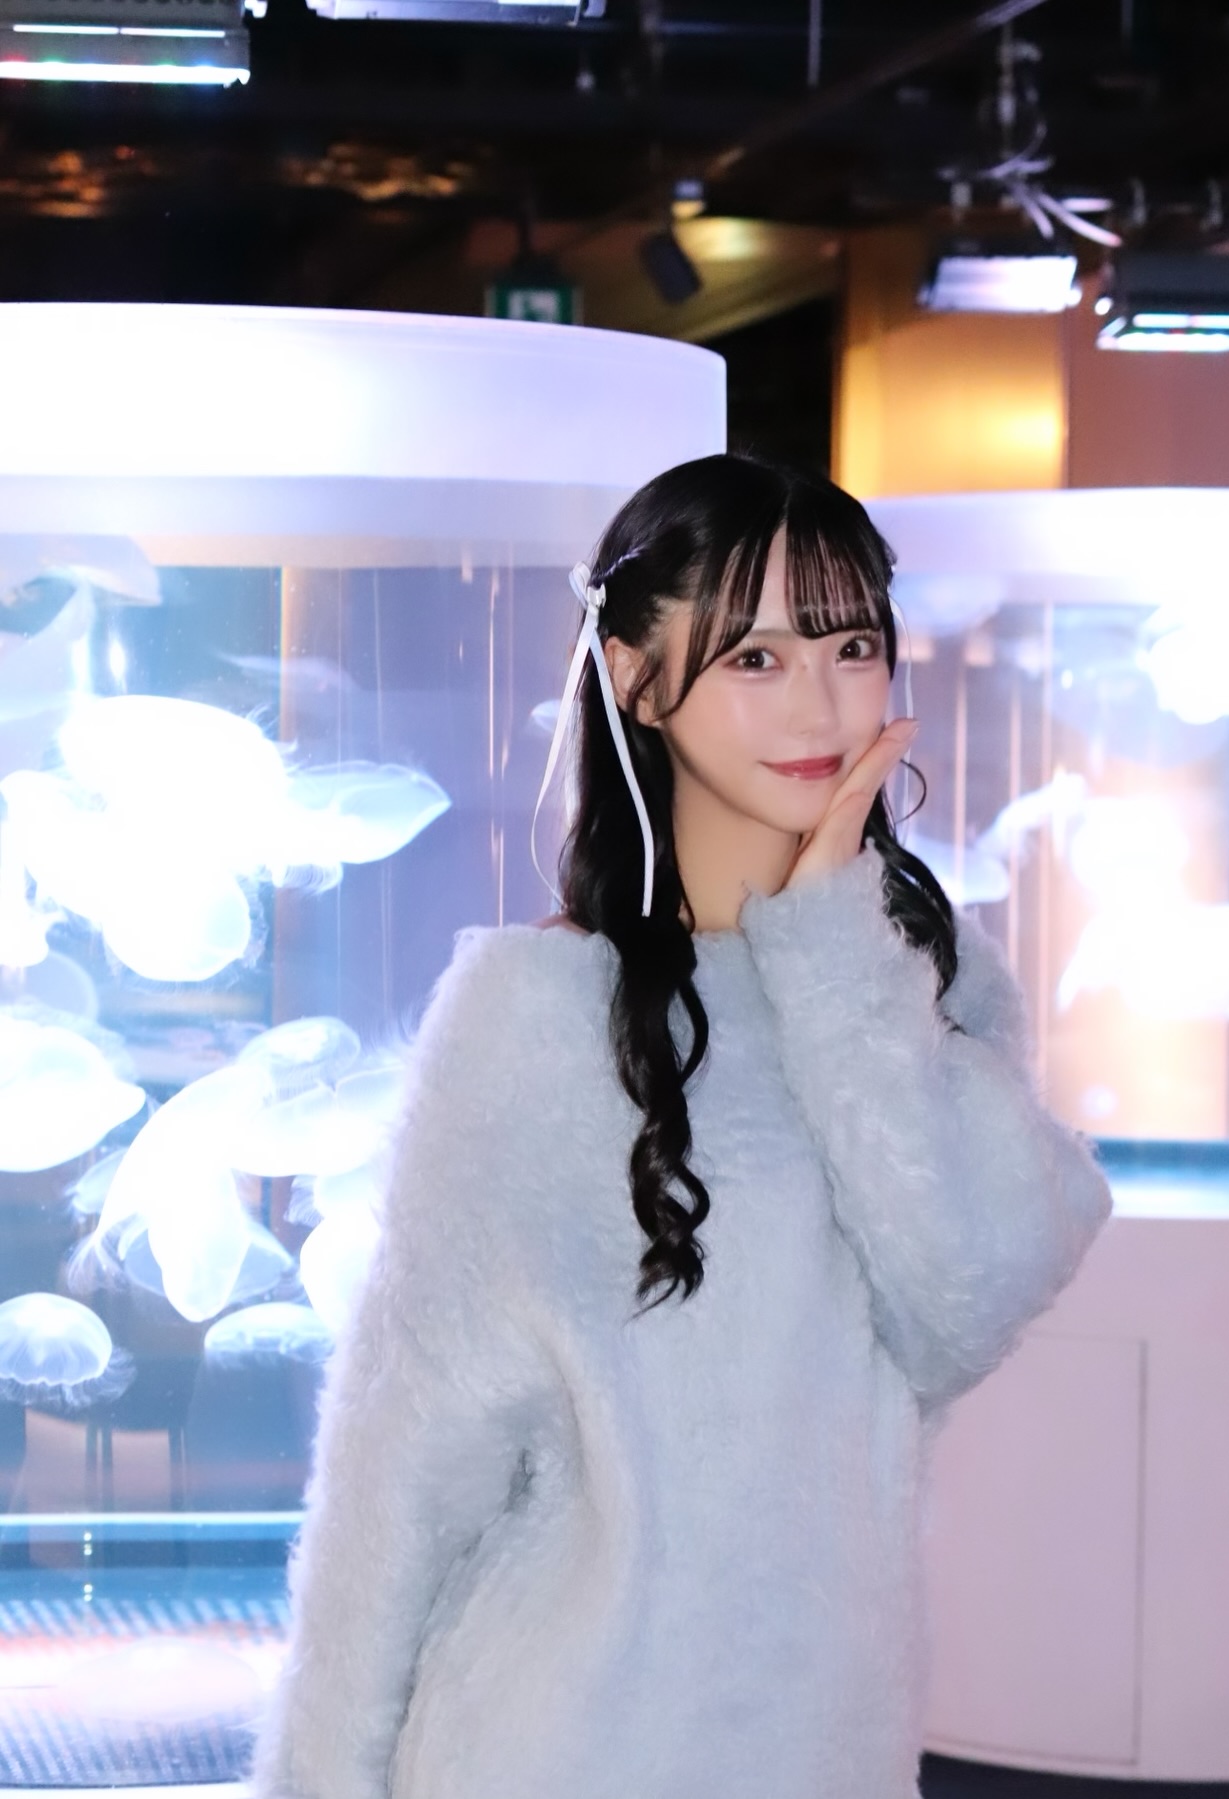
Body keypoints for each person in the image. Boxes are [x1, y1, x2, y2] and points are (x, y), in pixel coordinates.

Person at [247, 453, 1113, 1799]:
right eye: (755, 658)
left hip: (825, 1745)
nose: (820, 702)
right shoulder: (534, 1018)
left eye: (851, 645)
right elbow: (402, 1470)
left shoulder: (917, 992)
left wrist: (834, 940)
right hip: (557, 1751)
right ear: (638, 678)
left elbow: (967, 1300)